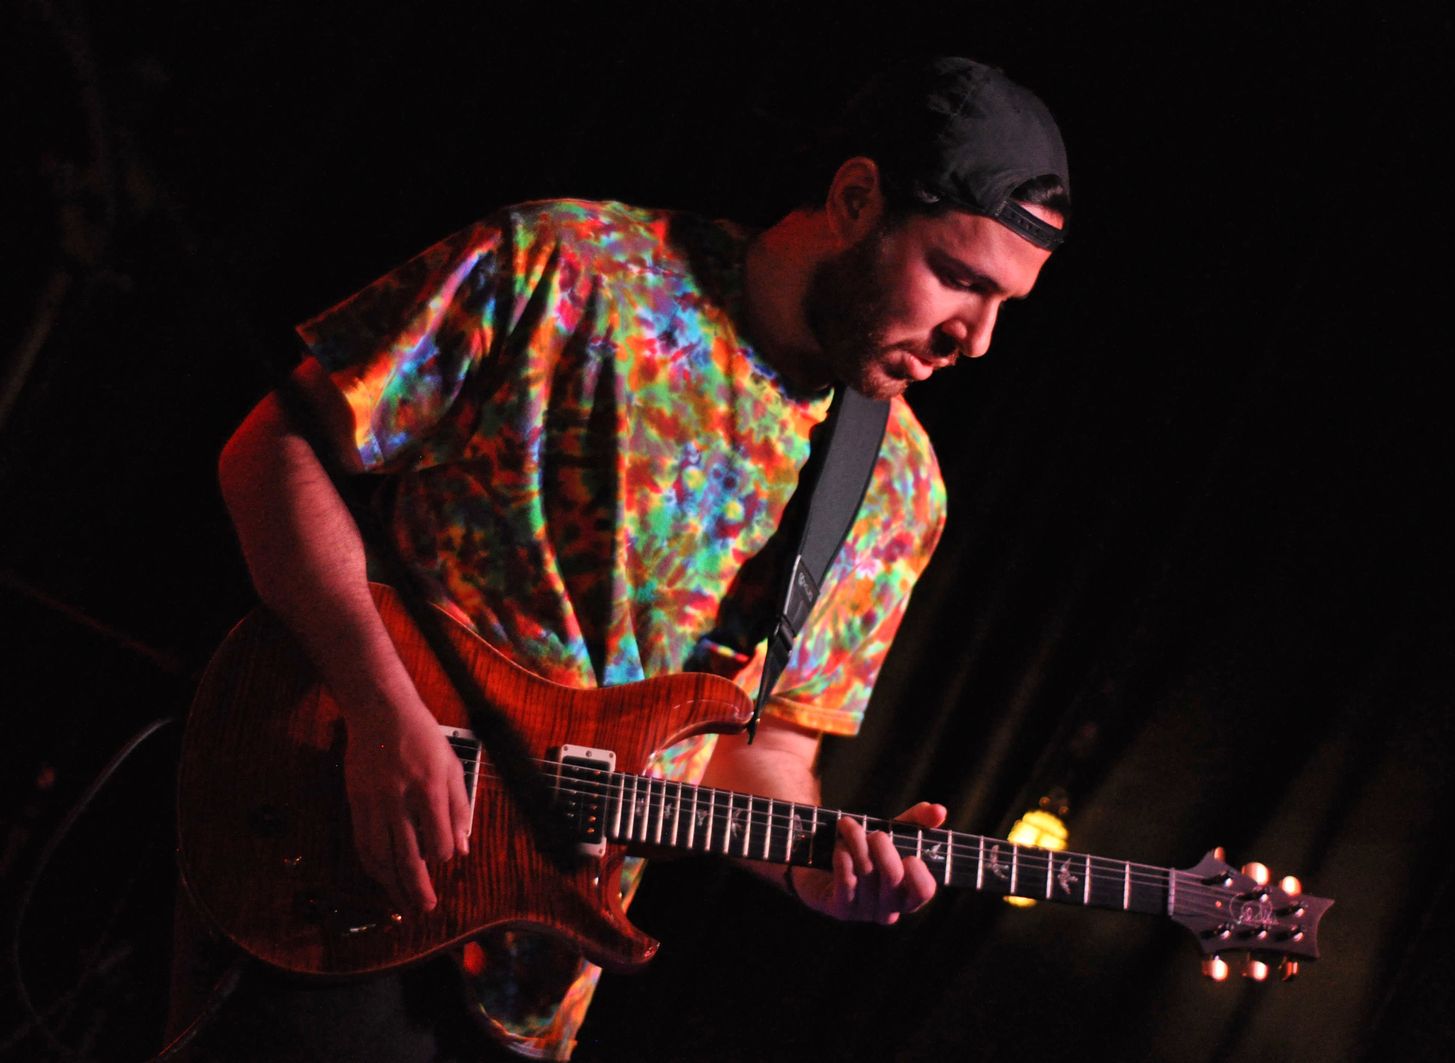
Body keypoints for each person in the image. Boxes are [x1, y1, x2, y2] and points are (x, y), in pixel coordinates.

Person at [178, 56, 1070, 1060]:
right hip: (337, 853)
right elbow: (276, 450)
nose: (976, 339)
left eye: (1005, 304)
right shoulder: (570, 268)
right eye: (959, 278)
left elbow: (765, 749)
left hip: (531, 988)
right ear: (856, 198)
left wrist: (812, 865)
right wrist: (380, 709)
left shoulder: (898, 488)